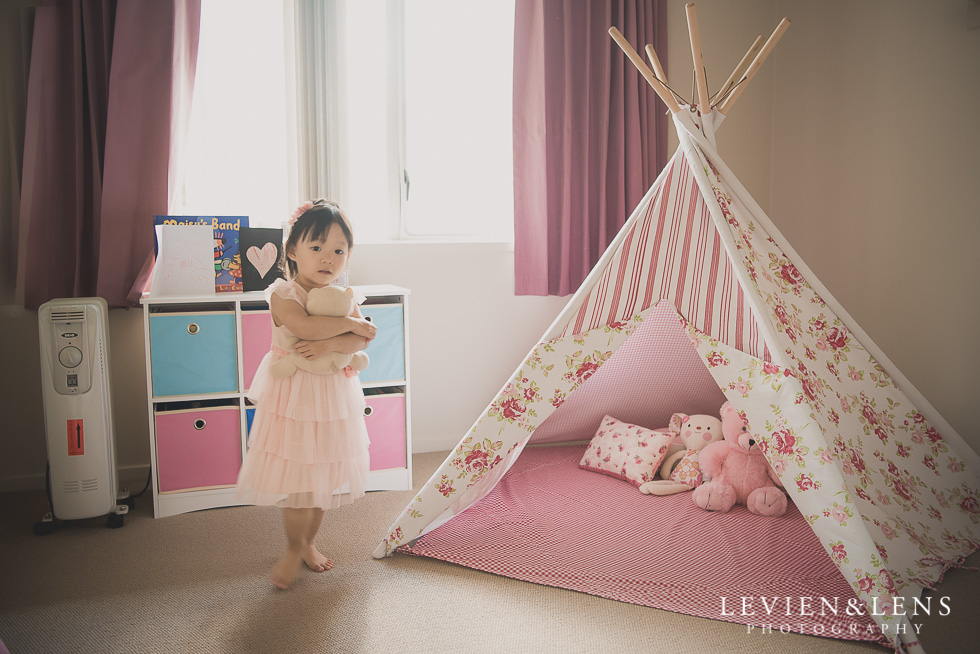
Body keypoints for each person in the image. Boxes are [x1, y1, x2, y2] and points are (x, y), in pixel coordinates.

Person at [235, 199, 378, 589]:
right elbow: (309, 328)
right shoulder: (283, 293)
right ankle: (292, 547)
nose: (327, 258)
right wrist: (350, 328)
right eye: (316, 248)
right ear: (293, 251)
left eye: (338, 250)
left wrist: (339, 342)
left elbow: (363, 338)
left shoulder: (343, 295)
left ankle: (309, 543)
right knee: (300, 485)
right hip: (293, 394)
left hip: (332, 394)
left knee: (321, 483)